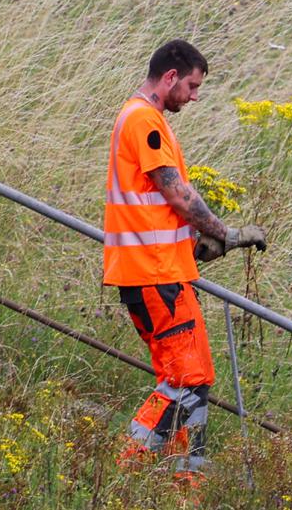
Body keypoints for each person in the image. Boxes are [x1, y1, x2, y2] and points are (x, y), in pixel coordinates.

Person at [103, 39, 266, 487]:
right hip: (154, 275)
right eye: (192, 86)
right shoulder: (143, 120)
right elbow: (176, 193)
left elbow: (152, 213)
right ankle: (122, 474)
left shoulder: (145, 121)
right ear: (170, 77)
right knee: (184, 378)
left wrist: (198, 246)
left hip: (163, 271)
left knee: (196, 378)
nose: (195, 96)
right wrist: (224, 233)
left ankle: (185, 485)